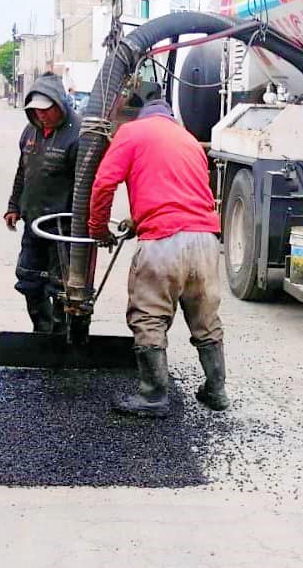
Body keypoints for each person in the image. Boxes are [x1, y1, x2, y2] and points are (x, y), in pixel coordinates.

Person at [88, 99, 228, 417]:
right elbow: (181, 195)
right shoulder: (188, 140)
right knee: (205, 319)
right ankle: (216, 390)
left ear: (142, 117)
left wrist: (98, 229)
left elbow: (103, 184)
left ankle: (153, 395)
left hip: (163, 242)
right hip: (205, 240)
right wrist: (137, 221)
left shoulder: (132, 133)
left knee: (149, 315)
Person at [5, 72, 80, 334]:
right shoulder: (30, 131)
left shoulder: (78, 135)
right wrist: (14, 206)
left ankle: (60, 337)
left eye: (46, 110)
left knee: (61, 287)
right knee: (28, 280)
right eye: (36, 111)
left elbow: (88, 185)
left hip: (63, 228)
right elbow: (22, 171)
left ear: (59, 105)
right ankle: (41, 330)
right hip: (33, 223)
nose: (41, 116)